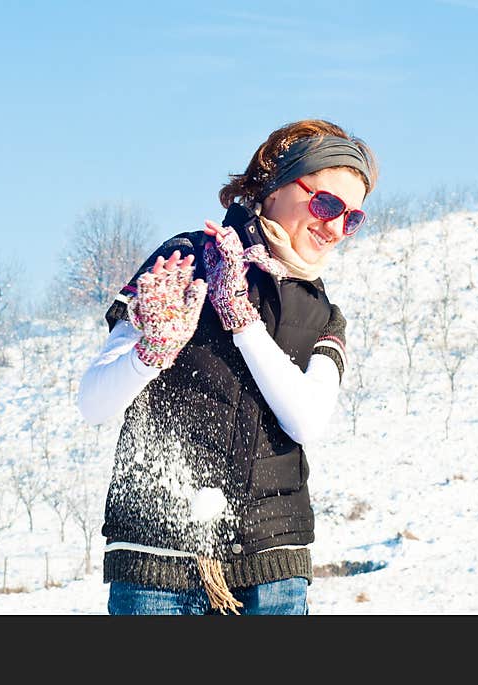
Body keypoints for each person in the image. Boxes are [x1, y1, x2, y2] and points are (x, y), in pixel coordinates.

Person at [76, 119, 378, 615]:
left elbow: (306, 420)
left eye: (352, 218)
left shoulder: (323, 313)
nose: (334, 228)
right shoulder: (183, 261)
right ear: (277, 183)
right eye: (326, 204)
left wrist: (242, 321)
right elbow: (93, 403)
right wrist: (151, 351)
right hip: (157, 562)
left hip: (271, 570)